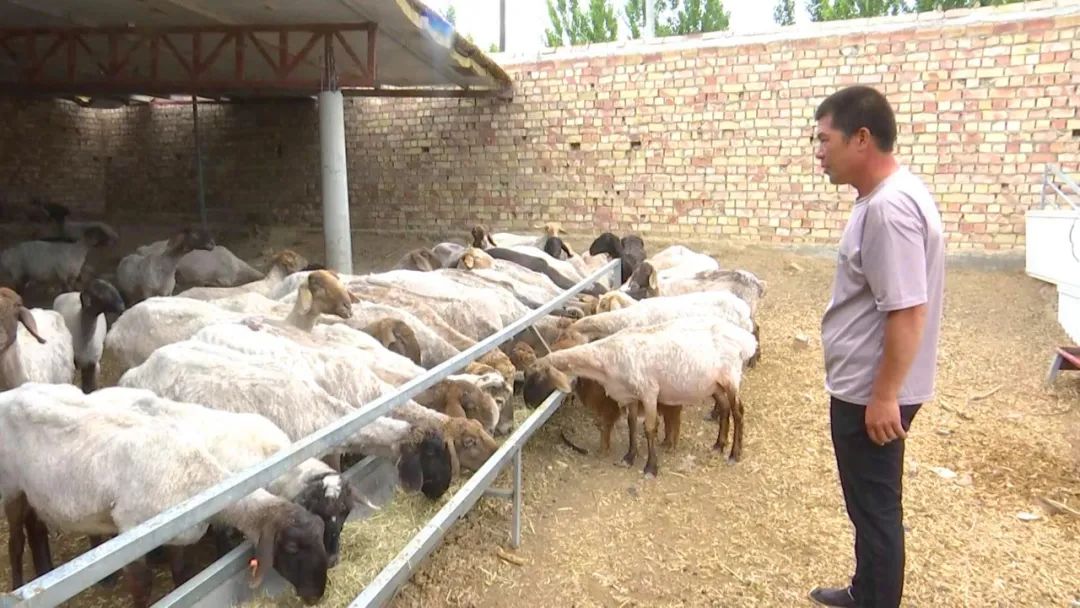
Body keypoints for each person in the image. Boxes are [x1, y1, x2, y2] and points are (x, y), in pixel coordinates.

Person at [809, 85, 945, 607]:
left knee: (876, 511)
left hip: (871, 392)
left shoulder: (889, 209)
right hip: (869, 386)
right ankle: (864, 591)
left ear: (861, 138)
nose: (819, 152)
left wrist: (885, 395)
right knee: (868, 507)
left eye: (825, 139)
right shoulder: (890, 196)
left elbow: (907, 310)